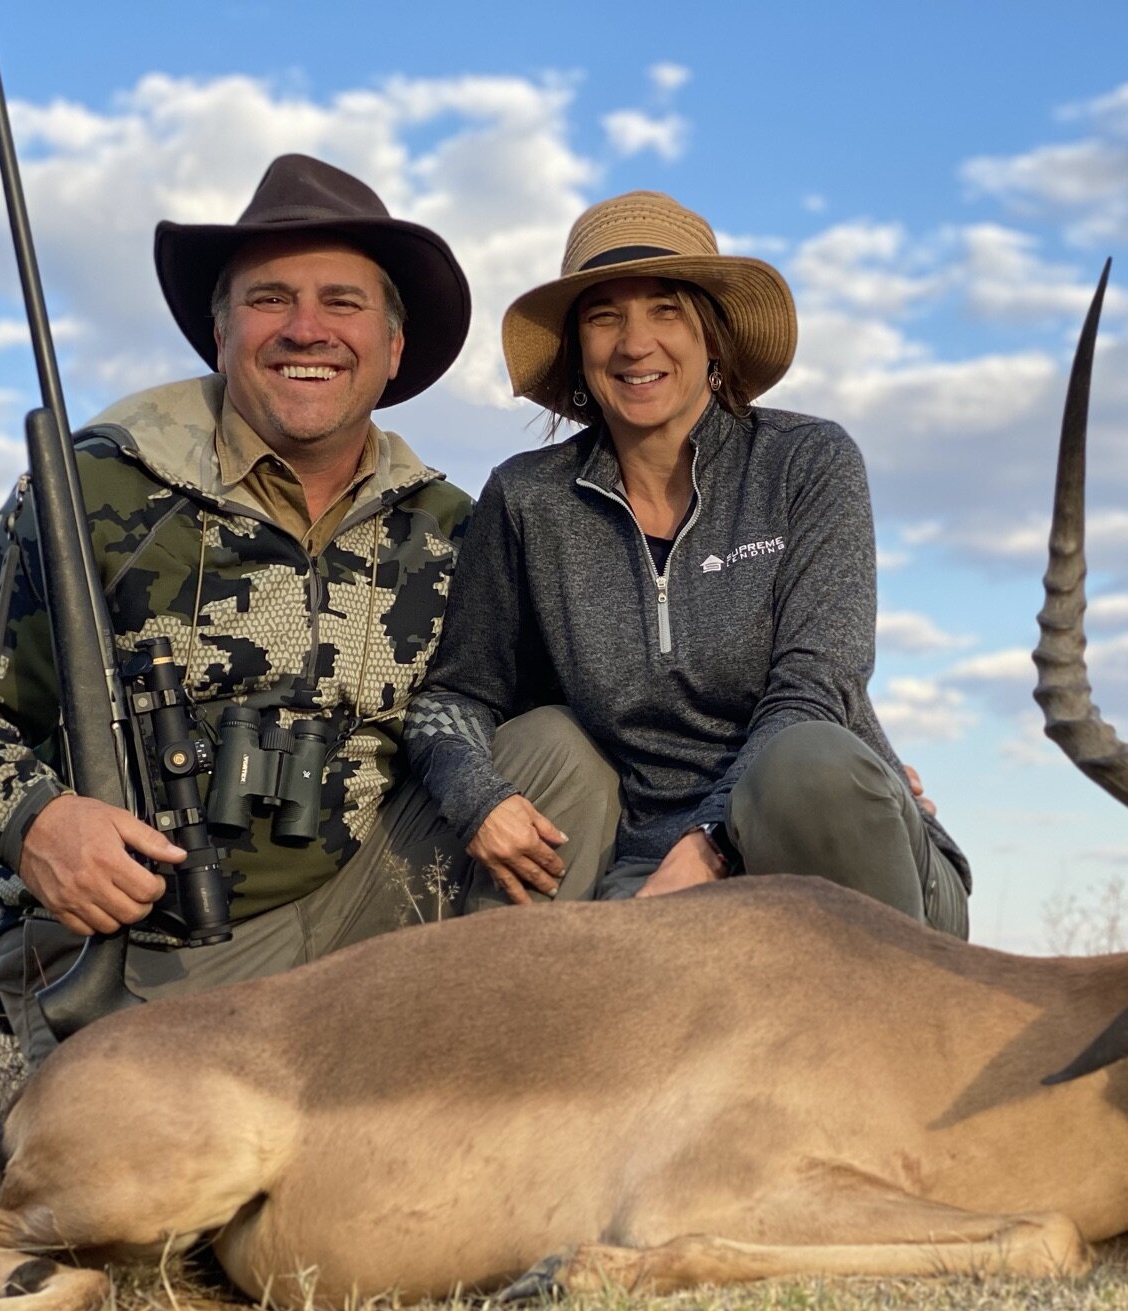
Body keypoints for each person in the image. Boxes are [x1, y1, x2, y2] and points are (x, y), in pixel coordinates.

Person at [0, 155, 609, 1066]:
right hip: (154, 950)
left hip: (364, 929)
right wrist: (36, 823)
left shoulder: (452, 526)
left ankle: (471, 1094)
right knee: (158, 1204)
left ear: (391, 349)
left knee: (561, 758)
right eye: (270, 300)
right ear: (219, 335)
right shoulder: (94, 487)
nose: (307, 329)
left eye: (342, 302)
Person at [406, 190, 969, 933]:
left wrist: (710, 843)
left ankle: (910, 1026)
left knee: (810, 765)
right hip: (648, 867)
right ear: (578, 348)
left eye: (666, 309)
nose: (636, 343)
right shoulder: (527, 500)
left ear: (713, 334)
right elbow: (461, 693)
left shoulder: (808, 462)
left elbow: (816, 683)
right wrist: (477, 797)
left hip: (830, 841)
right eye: (604, 316)